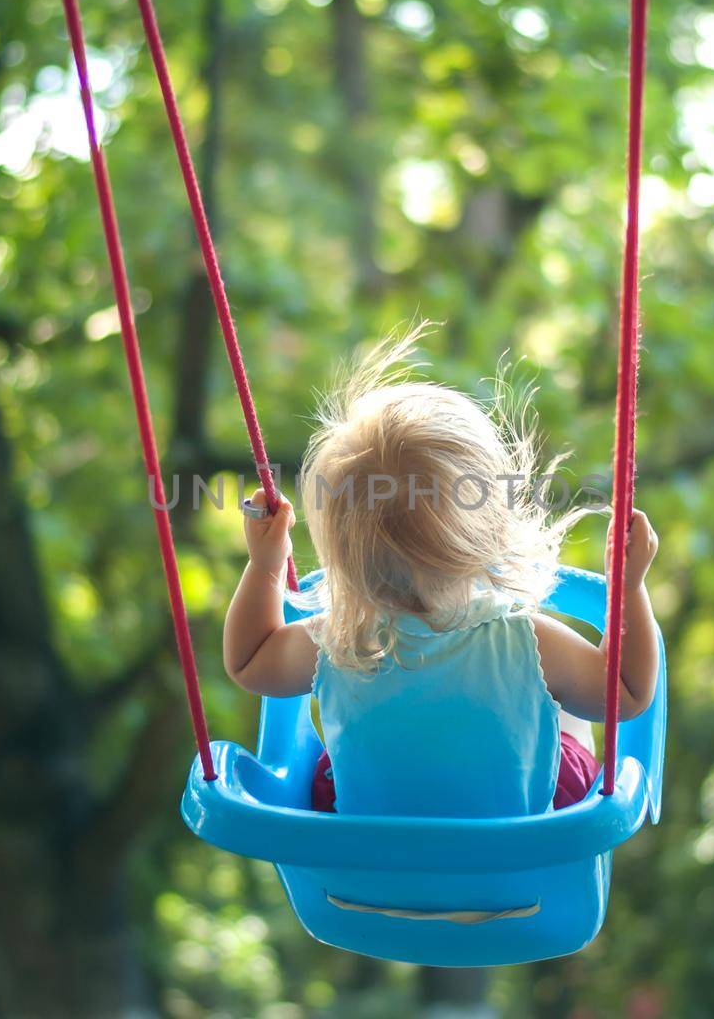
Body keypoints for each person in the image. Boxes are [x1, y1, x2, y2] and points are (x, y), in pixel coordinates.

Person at [222, 330, 660, 817]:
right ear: (489, 528)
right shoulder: (529, 643)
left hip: (365, 873)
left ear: (341, 552)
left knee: (336, 767)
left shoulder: (336, 642)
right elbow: (627, 693)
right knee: (566, 720)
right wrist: (629, 587)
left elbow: (248, 661)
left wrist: (264, 565)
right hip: (514, 872)